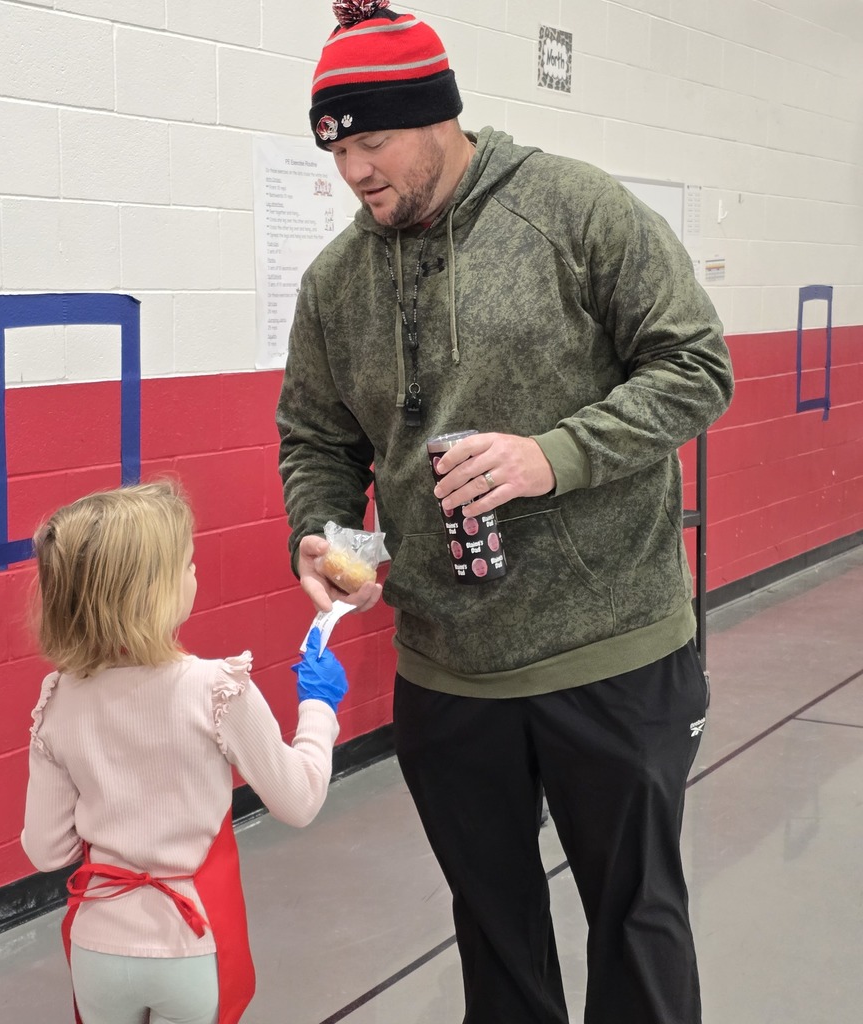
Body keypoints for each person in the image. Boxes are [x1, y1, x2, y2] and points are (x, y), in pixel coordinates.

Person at [276, 3, 734, 1022]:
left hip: (610, 650)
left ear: (438, 116)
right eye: (336, 148)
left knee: (636, 918)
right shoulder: (334, 282)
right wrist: (318, 525)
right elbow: (317, 438)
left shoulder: (575, 211)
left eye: (373, 140)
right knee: (491, 925)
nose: (354, 170)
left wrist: (552, 457)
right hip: (447, 670)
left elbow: (697, 368)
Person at [20, 480, 349, 1024]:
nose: (195, 572)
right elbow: (301, 799)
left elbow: (46, 850)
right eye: (186, 563)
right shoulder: (218, 689)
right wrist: (318, 707)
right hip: (193, 941)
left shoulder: (59, 696)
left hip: (96, 945)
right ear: (146, 592)